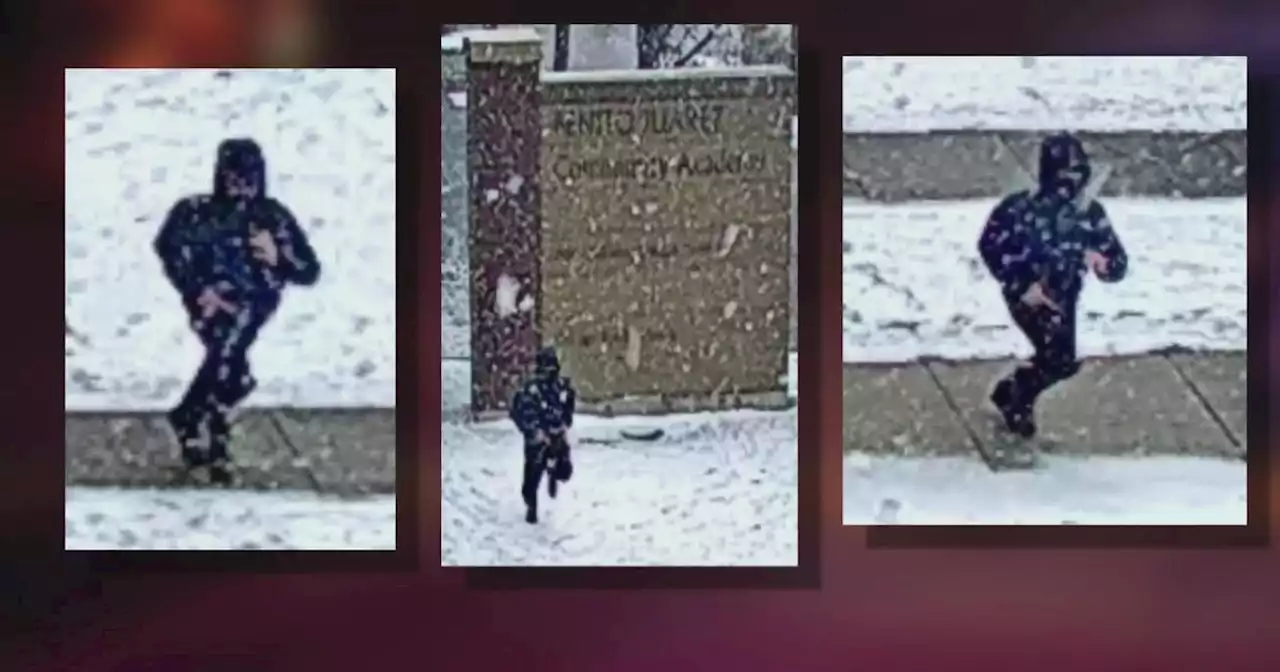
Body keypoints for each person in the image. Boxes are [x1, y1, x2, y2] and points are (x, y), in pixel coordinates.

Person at [154, 138, 320, 483]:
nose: (241, 185)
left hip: (256, 304)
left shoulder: (272, 217)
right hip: (212, 305)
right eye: (233, 176)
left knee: (229, 360)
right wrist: (198, 288)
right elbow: (169, 246)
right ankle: (216, 435)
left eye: (248, 177)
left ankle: (192, 417)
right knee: (229, 360)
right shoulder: (196, 212)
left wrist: (278, 256)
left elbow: (308, 270)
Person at [977, 132, 1128, 438]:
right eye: (1063, 174)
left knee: (1060, 361)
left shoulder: (1089, 214)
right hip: (1028, 295)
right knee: (1056, 356)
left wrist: (1103, 262)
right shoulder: (1020, 210)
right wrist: (1021, 282)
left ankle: (1014, 392)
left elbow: (1117, 261)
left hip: (1065, 294)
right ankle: (1016, 399)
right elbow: (990, 245)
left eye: (1076, 174)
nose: (1069, 184)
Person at [510, 347, 577, 524]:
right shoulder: (531, 390)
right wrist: (535, 432)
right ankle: (531, 506)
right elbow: (519, 413)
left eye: (553, 368)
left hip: (556, 434)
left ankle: (553, 473)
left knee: (565, 470)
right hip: (538, 437)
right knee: (531, 481)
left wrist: (563, 425)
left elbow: (568, 411)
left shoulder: (561, 387)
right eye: (547, 368)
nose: (550, 372)